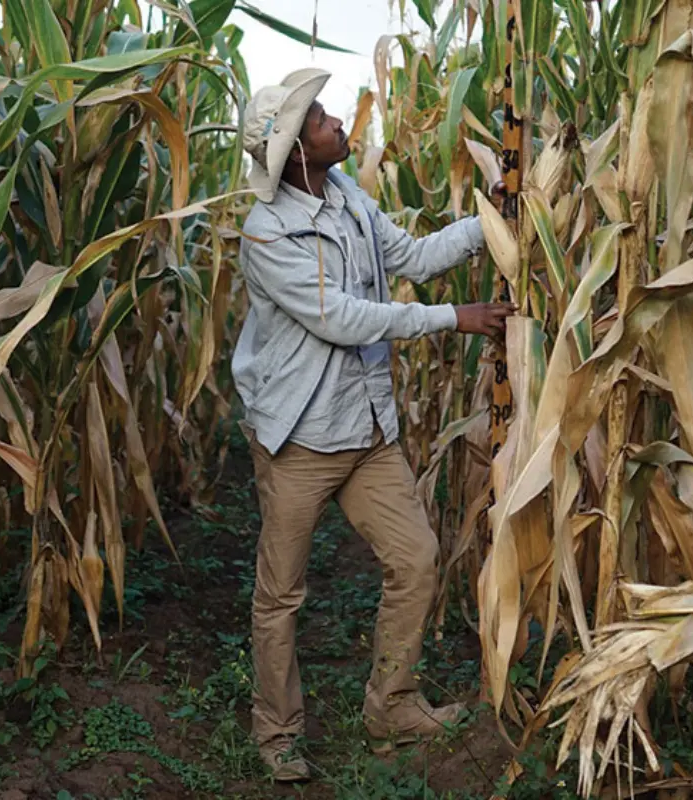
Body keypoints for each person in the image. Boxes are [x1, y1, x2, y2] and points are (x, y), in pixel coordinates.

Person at [232, 67, 515, 783]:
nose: (335, 122)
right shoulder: (267, 235)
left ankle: (391, 705)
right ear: (296, 151)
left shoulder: (349, 197)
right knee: (281, 594)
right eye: (320, 118)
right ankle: (278, 733)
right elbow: (341, 319)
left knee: (416, 562)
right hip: (299, 438)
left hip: (365, 430)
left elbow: (412, 257)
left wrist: (491, 223)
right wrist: (456, 318)